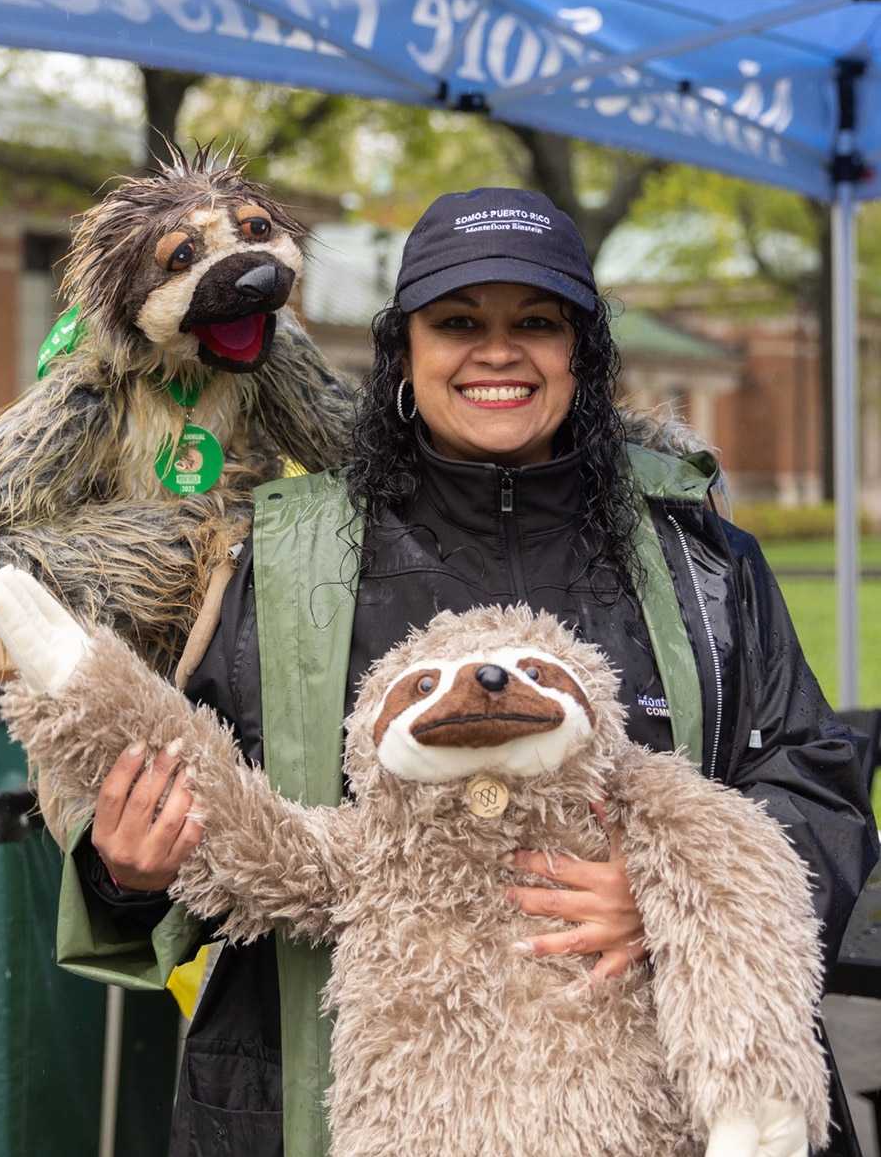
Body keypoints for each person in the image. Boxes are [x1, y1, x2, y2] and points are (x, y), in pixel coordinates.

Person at [62, 187, 878, 1157]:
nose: (499, 351)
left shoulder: (696, 555)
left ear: (584, 351)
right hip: (334, 1108)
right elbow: (198, 813)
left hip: (651, 1111)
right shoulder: (280, 560)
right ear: (404, 350)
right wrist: (125, 871)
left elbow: (810, 775)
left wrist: (682, 898)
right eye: (458, 322)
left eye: (537, 322)